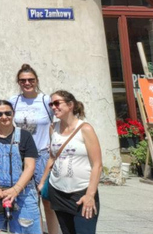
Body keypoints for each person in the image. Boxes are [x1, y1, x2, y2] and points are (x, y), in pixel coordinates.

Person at [39, 91, 102, 234]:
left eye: (56, 103)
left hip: (81, 193)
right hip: (58, 192)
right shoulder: (52, 128)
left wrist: (90, 195)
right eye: (51, 104)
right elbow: (52, 158)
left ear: (70, 105)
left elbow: (97, 165)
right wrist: (43, 182)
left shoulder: (85, 129)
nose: (53, 107)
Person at [10, 63, 59, 234]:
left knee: (47, 200)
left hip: (42, 155)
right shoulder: (14, 101)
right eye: (23, 80)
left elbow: (57, 123)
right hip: (21, 157)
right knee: (27, 200)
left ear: (36, 81)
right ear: (18, 82)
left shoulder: (46, 101)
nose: (27, 83)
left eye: (31, 79)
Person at [0, 100, 41, 234]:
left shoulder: (25, 136)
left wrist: (16, 190)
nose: (4, 117)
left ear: (13, 114)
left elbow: (30, 166)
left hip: (22, 193)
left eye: (8, 113)